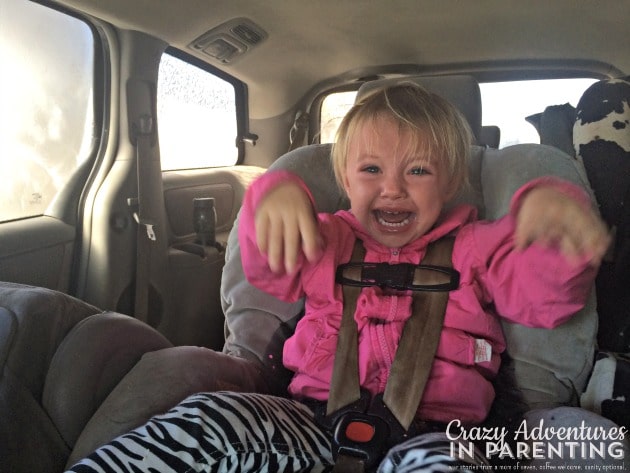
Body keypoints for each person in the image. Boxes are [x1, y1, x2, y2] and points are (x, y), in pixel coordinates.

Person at [67, 83, 609, 473]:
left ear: (450, 184)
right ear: (344, 181)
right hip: (306, 416)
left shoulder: (478, 245)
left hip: (446, 431)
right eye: (371, 170)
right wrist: (274, 199)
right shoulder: (327, 237)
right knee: (211, 414)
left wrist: (551, 226)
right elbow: (270, 270)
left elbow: (544, 298)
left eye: (418, 170)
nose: (392, 188)